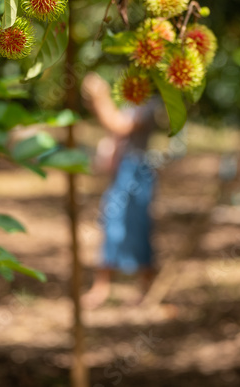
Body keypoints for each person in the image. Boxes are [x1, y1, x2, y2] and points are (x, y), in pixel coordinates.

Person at [80, 72, 163, 309]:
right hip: (124, 171)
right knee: (111, 222)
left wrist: (100, 96)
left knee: (137, 226)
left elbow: (119, 125)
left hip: (137, 173)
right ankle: (102, 286)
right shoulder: (132, 101)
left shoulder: (150, 104)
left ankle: (146, 285)